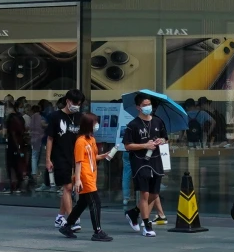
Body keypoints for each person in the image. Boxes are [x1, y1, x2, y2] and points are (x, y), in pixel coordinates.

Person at [60, 112, 112, 240]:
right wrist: (77, 180)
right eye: (95, 123)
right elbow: (78, 162)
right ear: (88, 125)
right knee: (95, 202)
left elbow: (92, 157)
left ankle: (67, 226)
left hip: (91, 175)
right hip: (84, 176)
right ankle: (97, 231)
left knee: (82, 203)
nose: (97, 125)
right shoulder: (80, 141)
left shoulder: (91, 140)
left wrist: (104, 156)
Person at [123, 94, 169, 234]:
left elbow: (165, 139)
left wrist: (161, 141)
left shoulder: (158, 122)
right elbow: (127, 146)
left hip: (156, 160)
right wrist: (145, 146)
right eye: (144, 105)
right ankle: (147, 225)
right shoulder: (133, 125)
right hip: (140, 162)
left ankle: (134, 212)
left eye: (149, 104)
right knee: (145, 193)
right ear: (138, 107)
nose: (148, 107)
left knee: (154, 194)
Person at [49, 90, 86, 230]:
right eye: (75, 103)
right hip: (60, 156)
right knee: (68, 187)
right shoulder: (55, 116)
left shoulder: (80, 117)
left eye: (79, 103)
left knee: (69, 189)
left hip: (76, 156)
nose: (77, 106)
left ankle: (60, 217)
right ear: (67, 101)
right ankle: (72, 218)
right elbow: (50, 138)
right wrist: (48, 159)